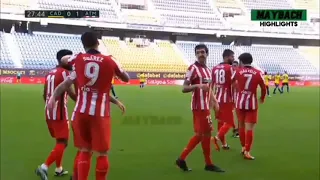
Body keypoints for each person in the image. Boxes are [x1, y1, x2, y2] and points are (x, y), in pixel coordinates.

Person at [47, 32, 130, 180]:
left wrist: (53, 96)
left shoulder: (78, 59)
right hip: (100, 114)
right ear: (98, 42)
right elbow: (126, 78)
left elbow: (64, 62)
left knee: (84, 150)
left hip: (80, 112)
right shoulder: (110, 60)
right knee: (102, 153)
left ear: (83, 45)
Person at [176, 44, 224, 173]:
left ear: (207, 53)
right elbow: (184, 88)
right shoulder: (193, 68)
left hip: (206, 106)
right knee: (205, 133)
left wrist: (214, 101)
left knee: (203, 134)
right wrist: (197, 85)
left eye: (203, 52)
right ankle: (204, 163)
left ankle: (184, 159)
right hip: (199, 107)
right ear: (196, 54)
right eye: (198, 52)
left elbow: (208, 88)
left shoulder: (208, 70)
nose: (201, 54)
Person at [35, 49, 77, 180]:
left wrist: (48, 106)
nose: (71, 61)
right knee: (63, 142)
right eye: (68, 59)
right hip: (59, 112)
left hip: (48, 110)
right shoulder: (65, 73)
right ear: (62, 60)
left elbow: (44, 93)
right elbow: (71, 93)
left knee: (59, 140)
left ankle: (59, 169)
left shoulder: (50, 72)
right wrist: (83, 100)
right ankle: (44, 167)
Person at [232, 53, 266, 160]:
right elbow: (264, 87)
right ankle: (247, 151)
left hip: (240, 103)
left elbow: (232, 82)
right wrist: (262, 98)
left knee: (241, 125)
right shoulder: (258, 73)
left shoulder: (237, 71)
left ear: (241, 62)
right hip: (251, 103)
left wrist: (238, 90)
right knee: (250, 128)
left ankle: (243, 147)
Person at [211, 49, 235, 150]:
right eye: (232, 57)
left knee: (221, 121)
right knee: (229, 122)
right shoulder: (230, 68)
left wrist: (211, 99)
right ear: (226, 57)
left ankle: (224, 144)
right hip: (227, 99)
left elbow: (211, 85)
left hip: (217, 98)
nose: (233, 59)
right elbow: (234, 84)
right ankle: (216, 138)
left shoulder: (215, 68)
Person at [231, 61, 239, 138]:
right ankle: (235, 130)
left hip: (238, 98)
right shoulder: (231, 75)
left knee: (237, 114)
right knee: (232, 114)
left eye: (235, 66)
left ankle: (237, 130)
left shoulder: (239, 75)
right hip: (230, 98)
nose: (234, 67)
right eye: (233, 66)